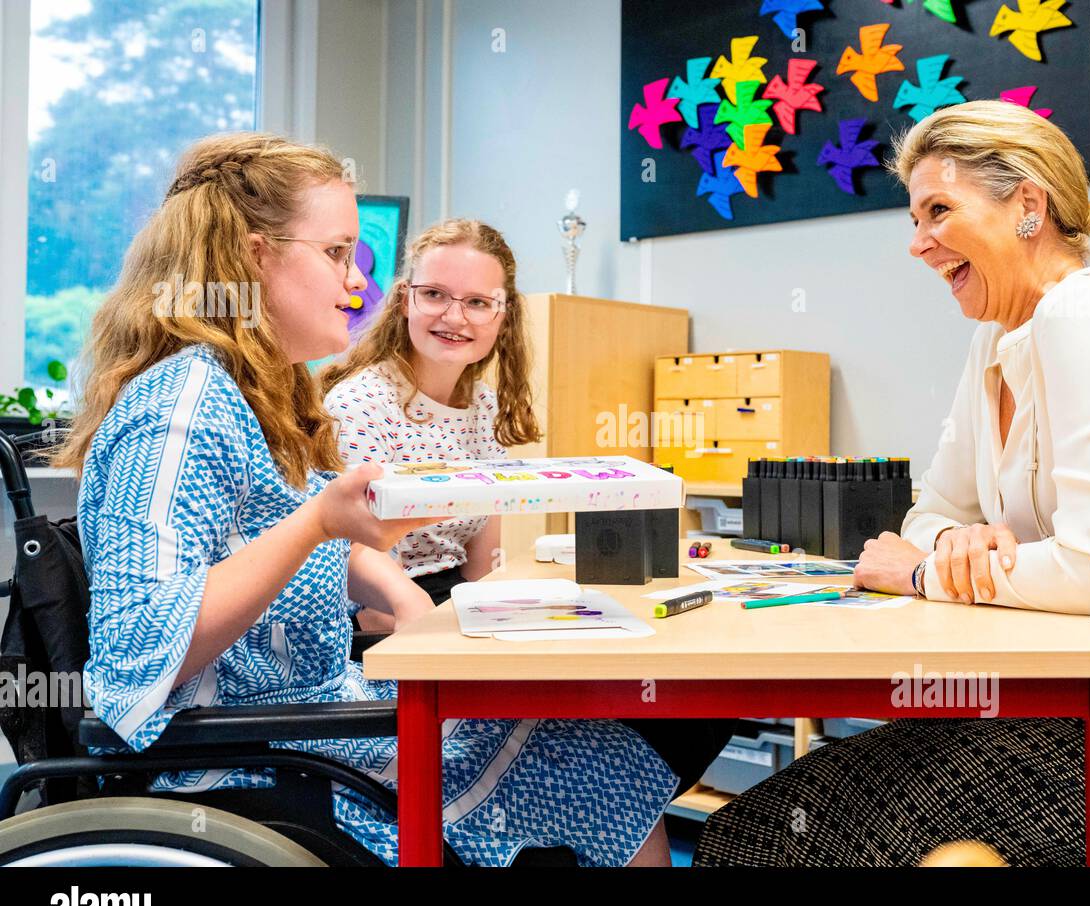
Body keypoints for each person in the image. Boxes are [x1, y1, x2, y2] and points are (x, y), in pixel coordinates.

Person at [693, 100, 1090, 866]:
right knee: (777, 823)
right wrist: (955, 543)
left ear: (1028, 206)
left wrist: (927, 573)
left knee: (770, 836)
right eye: (915, 220)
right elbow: (933, 512)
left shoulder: (1088, 314)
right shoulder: (997, 337)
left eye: (938, 211)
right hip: (1081, 705)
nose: (918, 245)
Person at [55, 132, 679, 866]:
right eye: (336, 254)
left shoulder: (258, 393)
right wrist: (318, 523)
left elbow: (311, 539)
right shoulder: (182, 407)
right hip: (244, 755)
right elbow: (137, 655)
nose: (357, 282)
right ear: (255, 256)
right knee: (587, 760)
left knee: (593, 750)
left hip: (309, 717)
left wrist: (365, 548)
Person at [320, 216, 735, 810]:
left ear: (502, 315)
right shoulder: (361, 405)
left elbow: (481, 555)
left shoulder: (480, 403)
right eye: (434, 294)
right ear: (405, 299)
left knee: (685, 699)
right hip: (384, 624)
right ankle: (586, 812)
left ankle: (608, 811)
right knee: (600, 718)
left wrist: (510, 605)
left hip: (450, 608)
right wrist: (446, 624)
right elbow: (351, 567)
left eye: (476, 302)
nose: (453, 317)